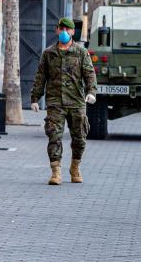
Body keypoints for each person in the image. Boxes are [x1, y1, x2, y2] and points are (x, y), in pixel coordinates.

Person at [30, 17, 97, 185]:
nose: (65, 32)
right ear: (57, 30)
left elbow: (89, 74)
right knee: (54, 136)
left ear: (73, 32)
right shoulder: (48, 53)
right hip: (55, 102)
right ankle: (56, 172)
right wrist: (35, 98)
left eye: (68, 30)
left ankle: (75, 167)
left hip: (76, 102)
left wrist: (91, 92)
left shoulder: (81, 52)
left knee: (80, 137)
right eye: (62, 29)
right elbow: (40, 77)